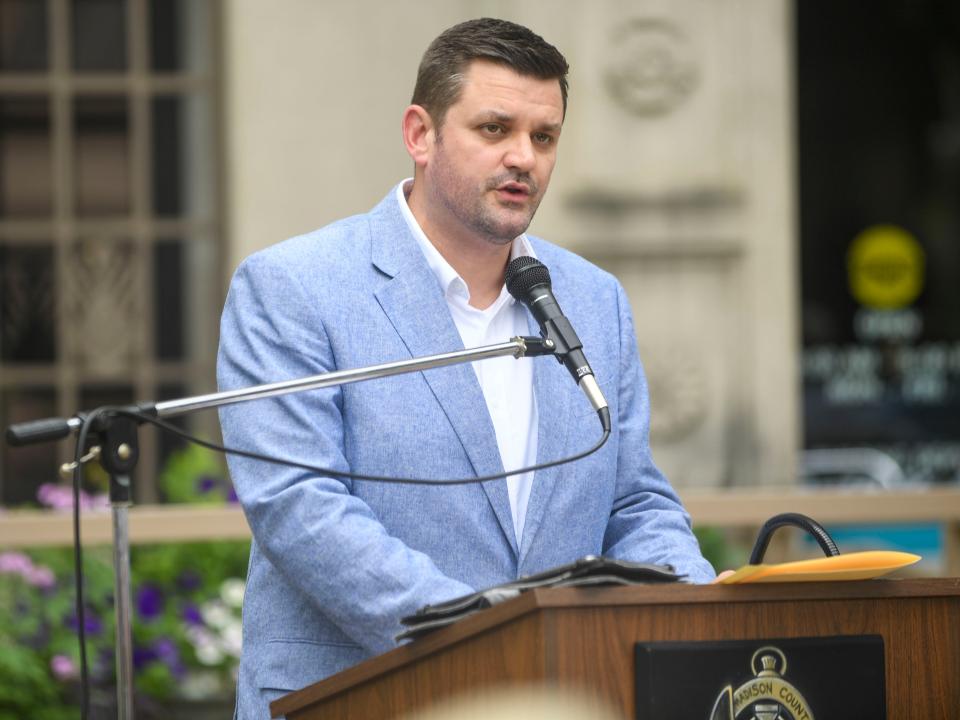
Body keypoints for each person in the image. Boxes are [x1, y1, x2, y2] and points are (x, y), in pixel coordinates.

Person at [217, 17, 716, 719]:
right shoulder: (294, 288)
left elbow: (634, 502)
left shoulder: (593, 300)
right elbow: (300, 507)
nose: (525, 158)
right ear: (420, 134)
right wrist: (487, 630)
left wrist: (699, 604)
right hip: (359, 693)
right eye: (494, 129)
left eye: (544, 137)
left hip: (563, 695)